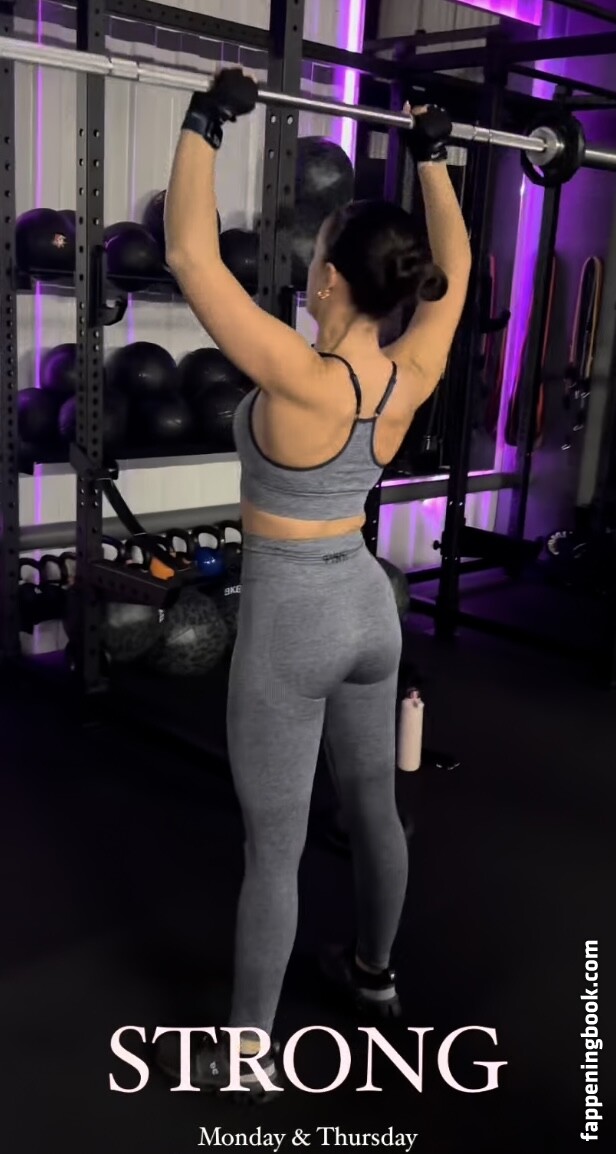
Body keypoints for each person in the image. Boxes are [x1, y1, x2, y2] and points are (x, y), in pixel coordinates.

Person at [157, 70, 471, 1098]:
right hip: (369, 603)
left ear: (330, 279)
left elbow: (188, 255)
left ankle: (249, 1053)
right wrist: (434, 157)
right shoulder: (409, 370)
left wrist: (205, 120)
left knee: (275, 847)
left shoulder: (299, 374)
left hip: (292, 616)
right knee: (373, 806)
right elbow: (460, 267)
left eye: (316, 252)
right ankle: (374, 976)